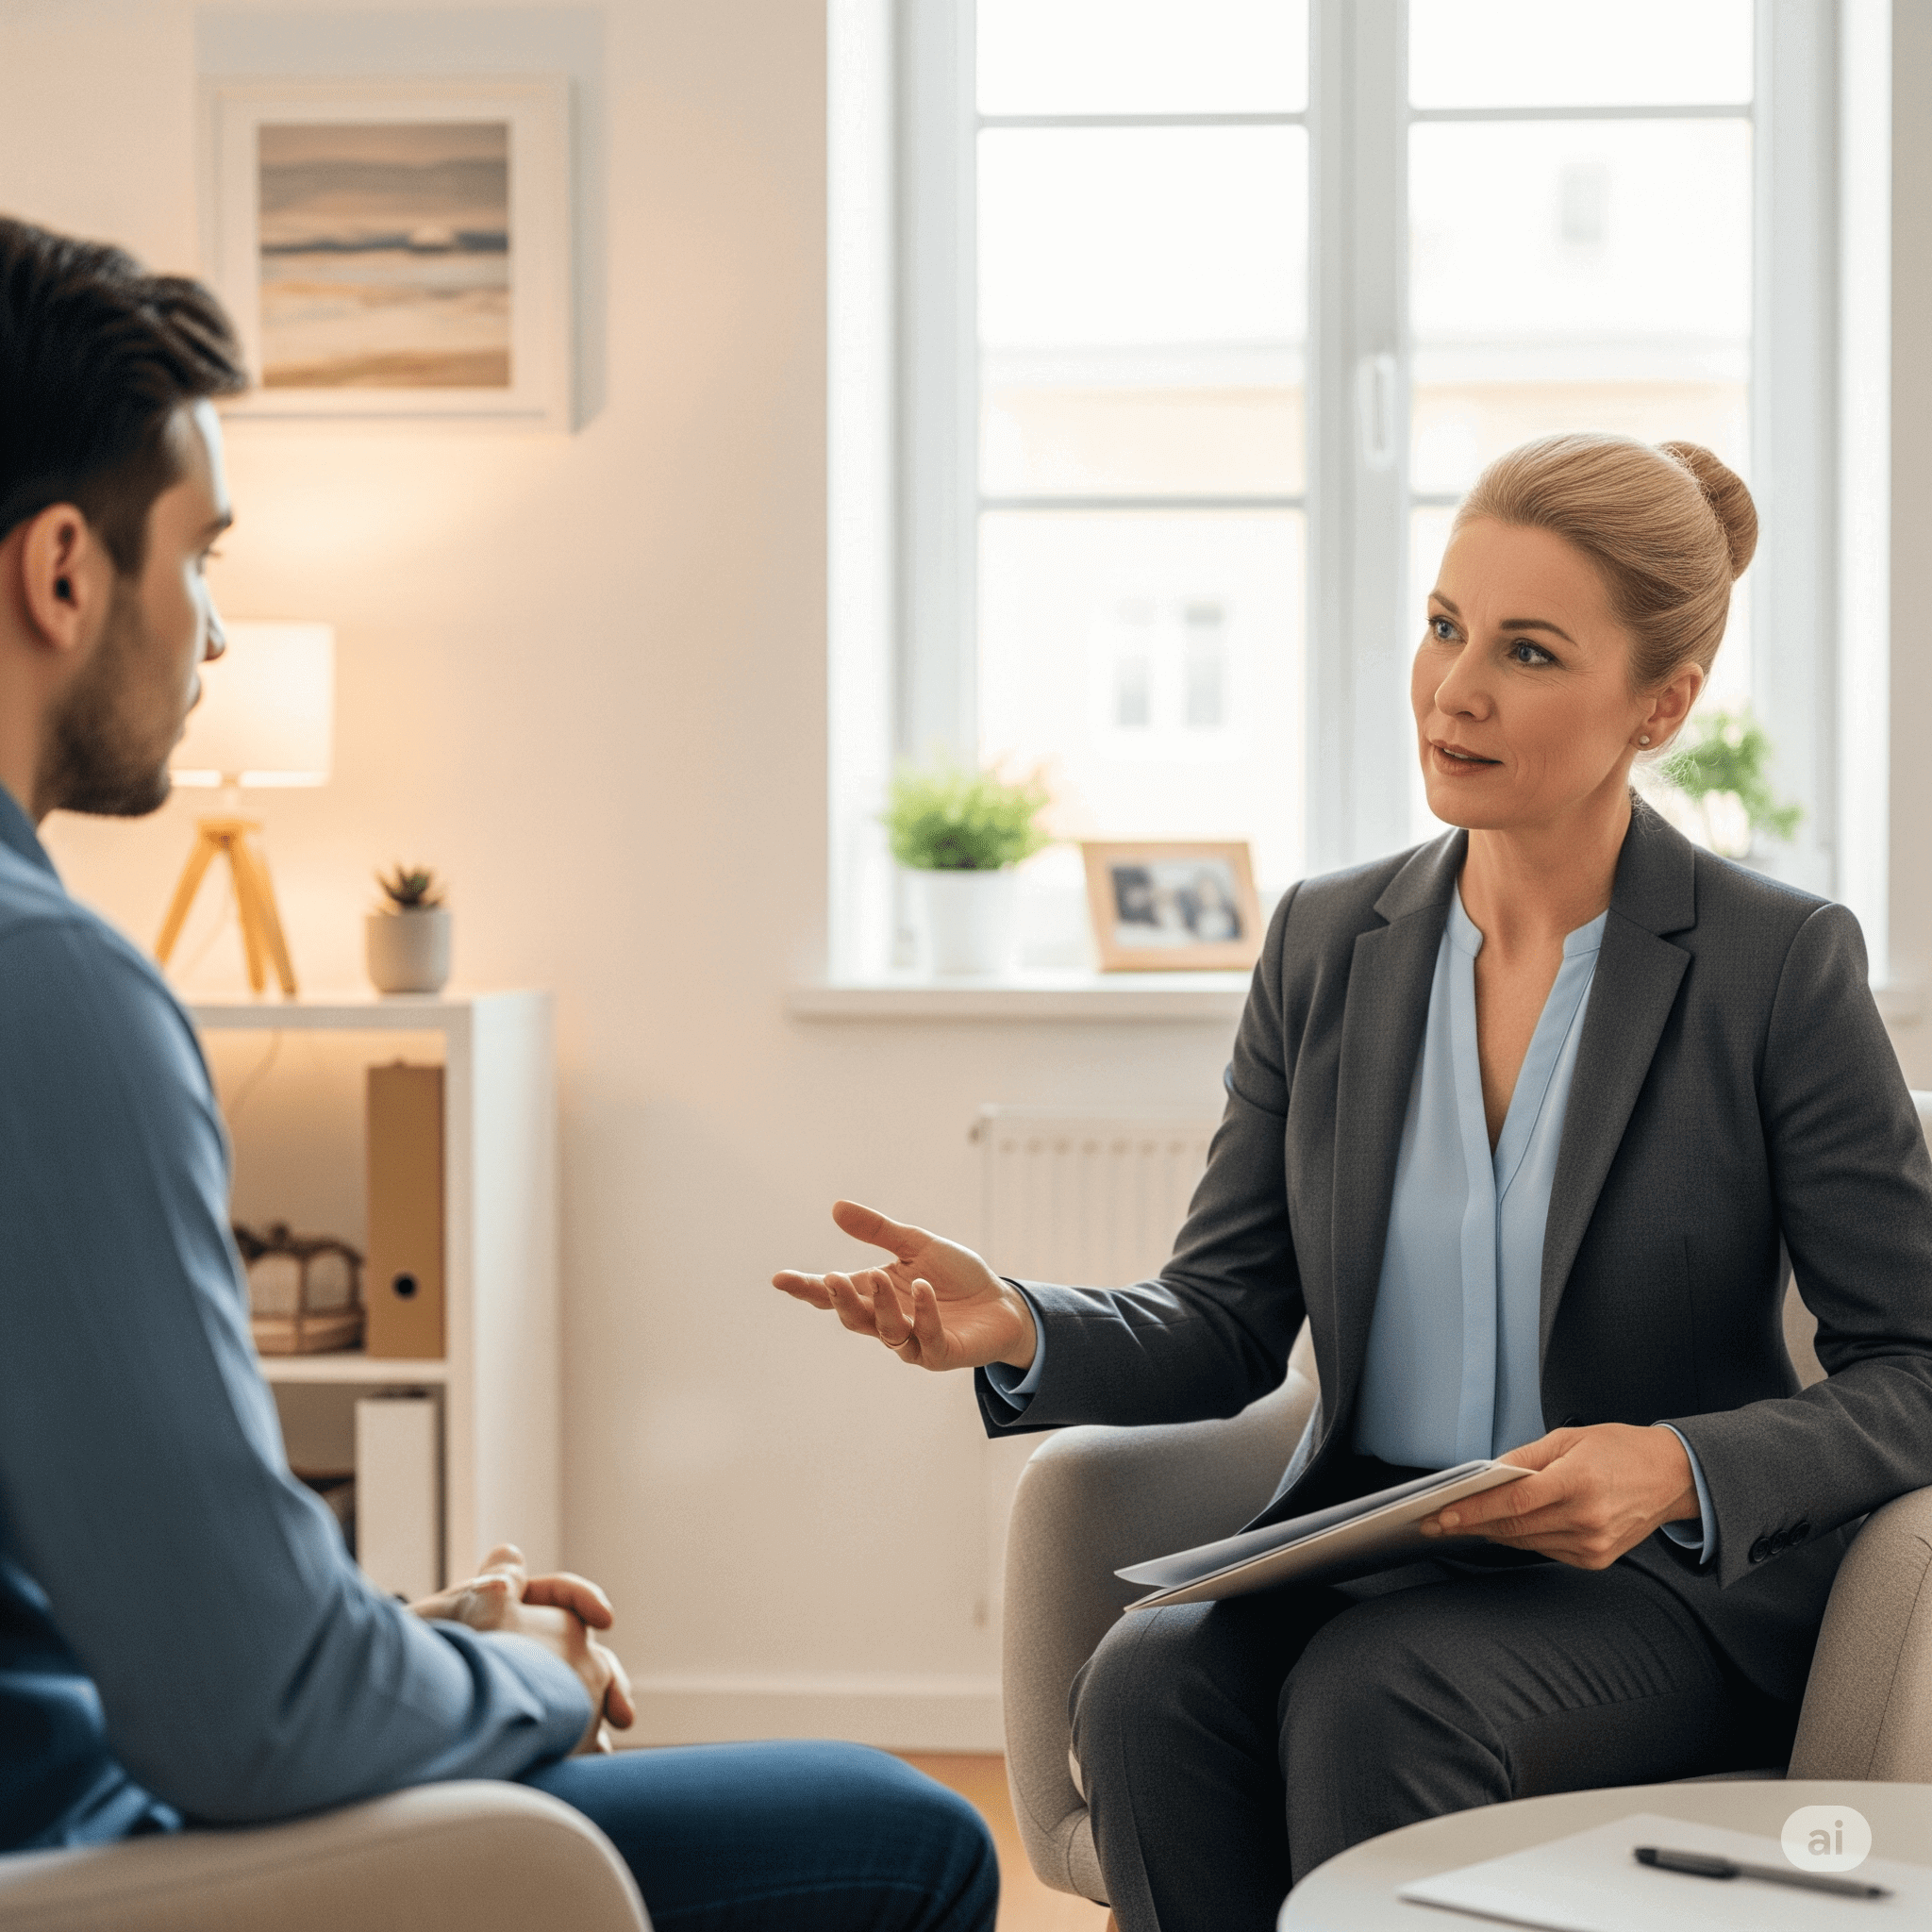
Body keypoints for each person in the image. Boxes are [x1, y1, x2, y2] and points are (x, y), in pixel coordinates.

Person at [776, 432, 1932, 1931]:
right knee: (1146, 1682)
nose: (1456, 689)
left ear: (1662, 703)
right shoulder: (1330, 942)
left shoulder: (1775, 963)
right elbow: (1230, 1314)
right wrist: (1020, 1326)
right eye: (1445, 625)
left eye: (1526, 651)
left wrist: (1677, 1467)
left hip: (1656, 1591)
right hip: (1378, 1537)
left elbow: (1913, 1362)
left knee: (1376, 1700)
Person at [0, 214, 996, 1932]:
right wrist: (525, 1669)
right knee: (900, 1835)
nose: (216, 635)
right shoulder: (53, 997)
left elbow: (127, 1575)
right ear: (67, 572)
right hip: (87, 1863)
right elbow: (256, 1720)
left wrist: (401, 1636)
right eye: (204, 559)